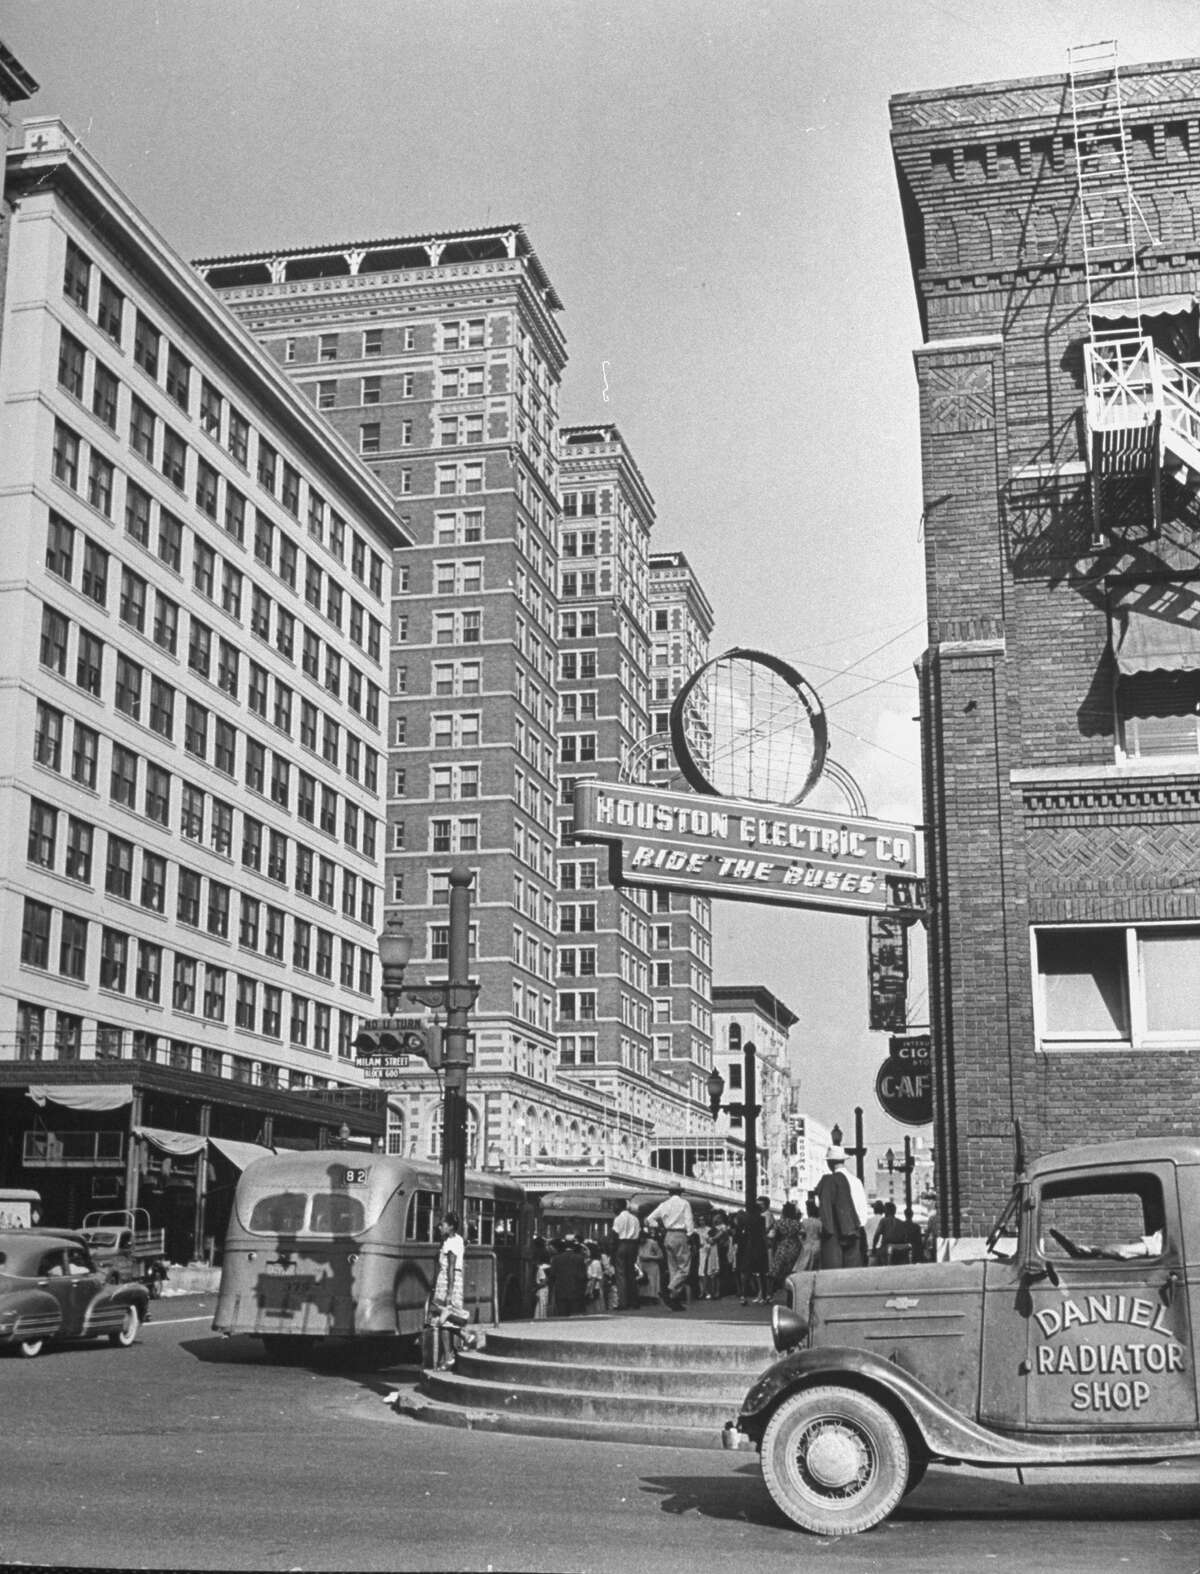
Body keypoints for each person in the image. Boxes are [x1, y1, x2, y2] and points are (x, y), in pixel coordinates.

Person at [816, 1144, 869, 1269]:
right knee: (853, 1273)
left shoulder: (828, 1181)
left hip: (835, 1231)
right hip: (855, 1229)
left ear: (829, 1163)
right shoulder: (856, 1181)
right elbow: (863, 1211)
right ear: (844, 1160)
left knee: (834, 1273)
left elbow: (821, 1206)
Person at [645, 1180, 694, 1310]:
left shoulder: (664, 1204)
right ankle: (670, 1289)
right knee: (684, 1268)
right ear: (680, 1192)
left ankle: (674, 1299)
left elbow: (649, 1219)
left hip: (668, 1235)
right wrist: (689, 1235)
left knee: (673, 1268)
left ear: (669, 1192)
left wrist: (660, 1227)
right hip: (680, 1234)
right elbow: (689, 1221)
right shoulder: (685, 1203)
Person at [431, 1210, 468, 1370]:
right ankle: (451, 1352)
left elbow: (451, 1268)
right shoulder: (457, 1239)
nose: (440, 1227)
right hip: (451, 1281)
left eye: (443, 1224)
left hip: (448, 1281)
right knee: (448, 1319)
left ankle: (449, 1356)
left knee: (444, 1319)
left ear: (451, 1226)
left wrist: (448, 1292)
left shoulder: (451, 1243)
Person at [611, 1198, 642, 1310]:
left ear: (619, 1206)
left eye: (614, 1205)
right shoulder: (635, 1218)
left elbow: (615, 1235)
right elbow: (639, 1234)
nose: (613, 1208)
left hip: (622, 1244)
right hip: (633, 1245)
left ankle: (623, 1302)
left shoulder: (618, 1218)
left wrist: (613, 1251)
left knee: (621, 1275)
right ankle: (634, 1301)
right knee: (631, 1274)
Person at [547, 1237, 588, 1317]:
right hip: (576, 1291)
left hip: (561, 1291)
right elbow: (583, 1276)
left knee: (562, 1315)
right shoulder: (579, 1258)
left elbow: (552, 1275)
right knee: (575, 1315)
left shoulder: (556, 1259)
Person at [770, 1200, 805, 1291]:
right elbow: (802, 1234)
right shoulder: (797, 1224)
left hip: (783, 1245)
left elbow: (773, 1235)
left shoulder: (779, 1223)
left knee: (778, 1268)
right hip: (795, 1246)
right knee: (791, 1269)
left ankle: (773, 1290)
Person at [873, 1201, 909, 1266]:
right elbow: (905, 1237)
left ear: (886, 1211)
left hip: (886, 1248)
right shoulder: (901, 1222)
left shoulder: (883, 1221)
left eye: (885, 1210)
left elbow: (877, 1235)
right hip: (900, 1248)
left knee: (876, 1257)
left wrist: (873, 1247)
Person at [796, 1194, 822, 1272]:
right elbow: (821, 1233)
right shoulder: (819, 1222)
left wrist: (802, 1241)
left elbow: (801, 1234)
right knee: (815, 1266)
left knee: (805, 1265)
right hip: (817, 1244)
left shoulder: (804, 1222)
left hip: (807, 1244)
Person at [698, 1224, 721, 1299]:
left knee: (714, 1274)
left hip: (714, 1258)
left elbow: (711, 1240)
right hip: (711, 1258)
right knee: (711, 1274)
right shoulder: (710, 1242)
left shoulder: (712, 1241)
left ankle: (715, 1292)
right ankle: (712, 1292)